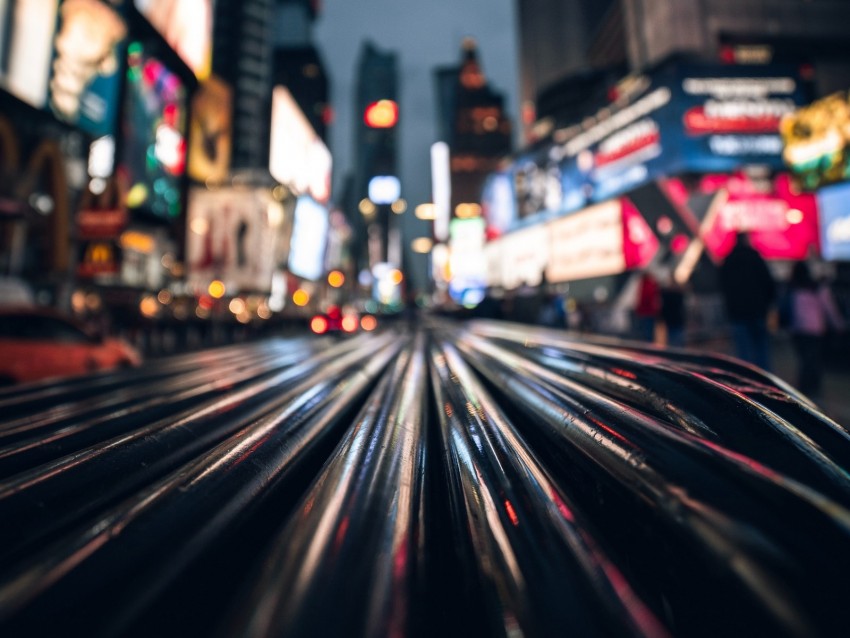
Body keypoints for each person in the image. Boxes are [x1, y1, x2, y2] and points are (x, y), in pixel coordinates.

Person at [718, 231, 777, 370]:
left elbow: (723, 286)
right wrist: (767, 304)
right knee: (762, 351)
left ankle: (746, 382)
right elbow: (768, 283)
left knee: (743, 354)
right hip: (757, 311)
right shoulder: (755, 257)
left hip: (737, 313)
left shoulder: (729, 260)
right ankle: (765, 383)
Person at [786, 260, 845, 398]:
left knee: (805, 361)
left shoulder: (793, 288)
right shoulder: (818, 288)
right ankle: (812, 393)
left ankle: (803, 392)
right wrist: (839, 325)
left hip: (798, 330)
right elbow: (830, 309)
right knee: (814, 360)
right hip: (815, 330)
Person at [659, 270, 687, 348]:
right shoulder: (679, 293)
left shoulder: (667, 293)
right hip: (676, 319)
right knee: (677, 340)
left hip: (672, 320)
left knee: (673, 340)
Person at [634, 270, 661, 342]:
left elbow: (645, 299)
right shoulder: (648, 284)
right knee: (647, 332)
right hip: (648, 312)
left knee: (647, 333)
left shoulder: (646, 284)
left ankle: (648, 348)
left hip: (647, 312)